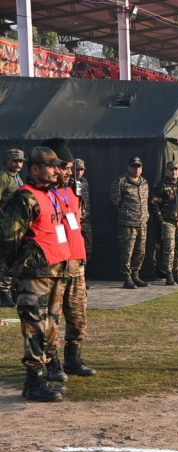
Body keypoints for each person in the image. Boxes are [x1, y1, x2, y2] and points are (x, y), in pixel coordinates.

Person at [0, 146, 70, 402]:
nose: (56, 170)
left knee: (50, 325)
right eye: (51, 166)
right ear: (36, 168)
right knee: (34, 326)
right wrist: (20, 265)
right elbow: (8, 238)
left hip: (53, 270)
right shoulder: (24, 198)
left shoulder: (50, 195)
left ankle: (45, 372)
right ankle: (33, 381)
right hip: (34, 273)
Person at [48, 143, 95, 380]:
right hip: (54, 264)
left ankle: (73, 358)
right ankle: (51, 361)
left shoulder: (73, 192)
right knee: (51, 317)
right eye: (65, 167)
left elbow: (77, 222)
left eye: (70, 168)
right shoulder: (41, 193)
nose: (69, 172)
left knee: (78, 316)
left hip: (75, 262)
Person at [109, 156, 150, 289]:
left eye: (139, 167)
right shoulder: (121, 181)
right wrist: (126, 213)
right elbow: (114, 200)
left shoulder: (144, 182)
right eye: (134, 166)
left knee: (140, 251)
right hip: (127, 223)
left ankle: (135, 275)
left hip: (142, 223)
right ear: (128, 167)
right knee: (127, 252)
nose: (137, 169)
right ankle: (127, 278)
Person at [150, 161, 178, 286]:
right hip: (168, 222)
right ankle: (169, 274)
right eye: (172, 169)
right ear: (167, 171)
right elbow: (154, 204)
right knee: (169, 249)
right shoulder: (161, 185)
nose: (174, 172)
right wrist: (161, 220)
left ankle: (176, 271)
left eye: (176, 169)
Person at [0, 148, 25, 307]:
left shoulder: (18, 179)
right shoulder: (3, 177)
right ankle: (3, 294)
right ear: (6, 161)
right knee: (4, 260)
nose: (18, 164)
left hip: (17, 226)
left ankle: (11, 292)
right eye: (14, 161)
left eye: (21, 161)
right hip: (5, 226)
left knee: (14, 260)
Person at [73, 159, 94, 264]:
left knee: (88, 247)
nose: (79, 172)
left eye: (81, 170)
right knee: (73, 247)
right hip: (72, 221)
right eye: (77, 169)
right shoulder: (68, 182)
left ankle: (82, 271)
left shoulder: (84, 182)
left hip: (85, 220)